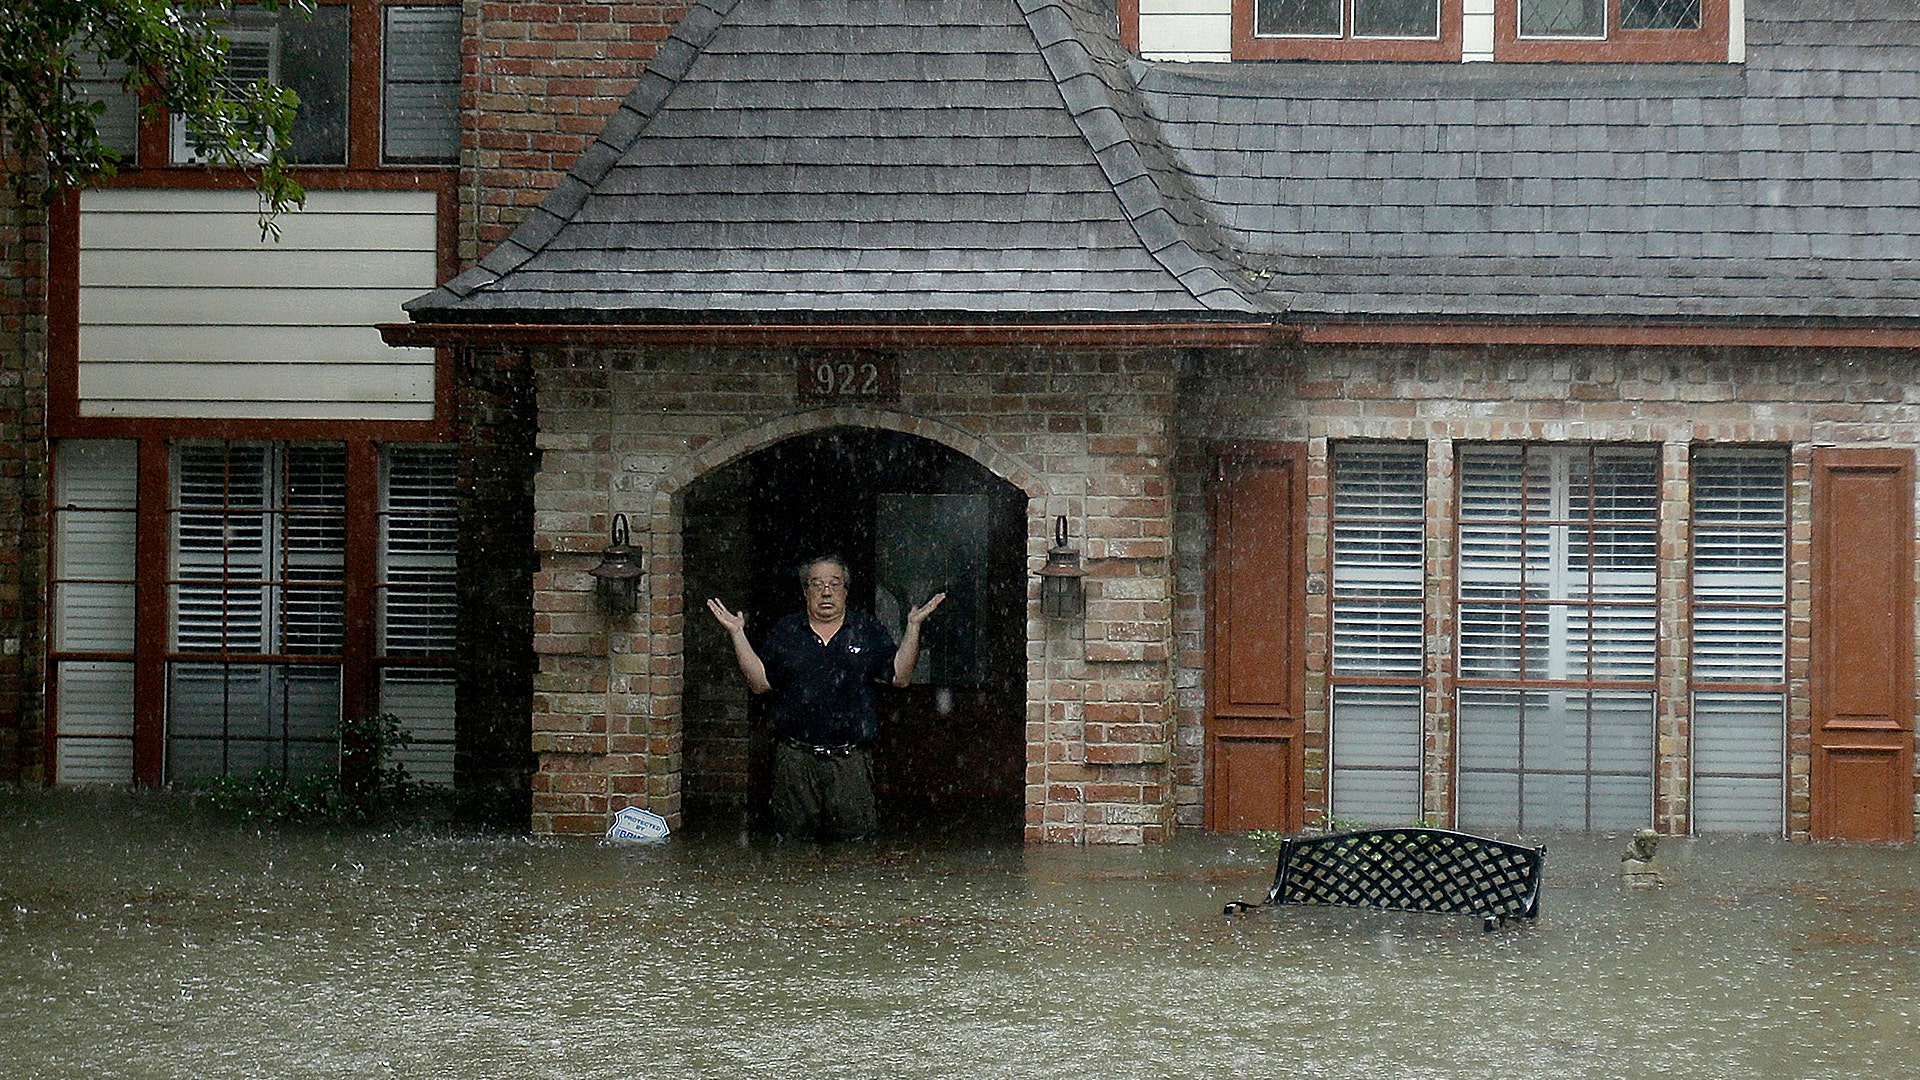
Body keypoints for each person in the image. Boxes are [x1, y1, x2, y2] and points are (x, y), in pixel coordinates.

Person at [706, 556, 945, 841]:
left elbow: (900, 676)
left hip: (850, 761)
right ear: (805, 592)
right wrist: (737, 634)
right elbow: (759, 683)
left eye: (834, 584)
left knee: (854, 851)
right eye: (817, 585)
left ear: (845, 591)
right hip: (796, 760)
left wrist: (913, 627)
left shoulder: (866, 630)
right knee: (792, 848)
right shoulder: (787, 631)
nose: (826, 592)